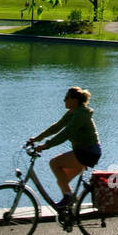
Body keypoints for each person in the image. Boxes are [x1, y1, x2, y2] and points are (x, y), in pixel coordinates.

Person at [27, 87, 101, 221]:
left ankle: (68, 198)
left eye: (66, 97)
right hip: (82, 151)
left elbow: (66, 133)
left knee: (54, 163)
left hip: (88, 152)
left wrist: (46, 145)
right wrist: (36, 138)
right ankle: (70, 211)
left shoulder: (81, 114)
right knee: (63, 181)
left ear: (74, 100)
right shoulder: (72, 112)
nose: (64, 100)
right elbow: (56, 127)